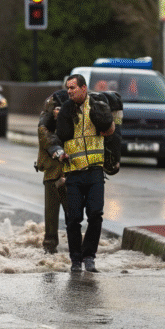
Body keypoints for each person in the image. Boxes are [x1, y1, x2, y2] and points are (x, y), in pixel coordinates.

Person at [52, 74, 116, 273]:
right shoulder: (65, 110)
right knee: (74, 218)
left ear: (84, 88)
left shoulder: (97, 105)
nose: (69, 91)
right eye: (68, 88)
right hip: (73, 173)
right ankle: (75, 260)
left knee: (96, 214)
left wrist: (112, 131)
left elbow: (111, 129)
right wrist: (59, 152)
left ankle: (89, 257)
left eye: (73, 88)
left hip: (95, 171)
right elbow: (58, 137)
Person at [35, 88, 69, 254]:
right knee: (52, 214)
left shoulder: (74, 106)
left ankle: (70, 247)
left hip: (67, 170)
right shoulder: (54, 104)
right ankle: (50, 247)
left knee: (71, 213)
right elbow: (44, 133)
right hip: (54, 170)